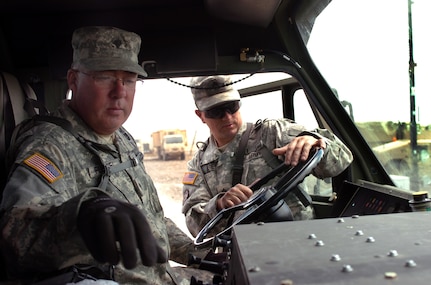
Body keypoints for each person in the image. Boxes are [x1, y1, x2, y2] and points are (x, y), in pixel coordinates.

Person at [0, 26, 211, 285]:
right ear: (73, 80)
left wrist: (197, 252)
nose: (119, 91)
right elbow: (16, 237)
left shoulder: (122, 138)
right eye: (104, 77)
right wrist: (82, 217)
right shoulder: (50, 145)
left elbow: (150, 219)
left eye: (129, 80)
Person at [182, 75, 354, 237]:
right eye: (215, 111)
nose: (227, 116)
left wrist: (315, 142)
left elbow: (343, 158)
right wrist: (219, 204)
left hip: (299, 239)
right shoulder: (199, 164)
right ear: (200, 115)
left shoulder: (272, 133)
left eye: (232, 106)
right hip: (244, 251)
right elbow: (194, 223)